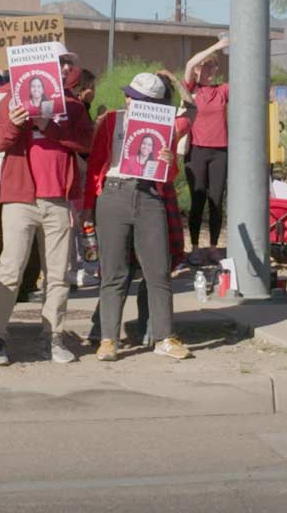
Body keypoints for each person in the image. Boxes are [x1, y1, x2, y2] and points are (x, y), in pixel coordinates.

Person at [0, 63, 92, 366]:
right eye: (58, 64)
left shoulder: (72, 105)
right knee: (10, 269)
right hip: (20, 198)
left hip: (58, 199)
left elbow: (86, 143)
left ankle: (53, 337)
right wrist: (16, 124)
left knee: (58, 273)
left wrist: (48, 125)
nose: (64, 69)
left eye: (65, 65)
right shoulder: (11, 102)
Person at [82, 72, 192, 362]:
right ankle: (108, 339)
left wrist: (169, 163)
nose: (129, 100)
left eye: (136, 97)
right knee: (114, 272)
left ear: (153, 104)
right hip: (114, 193)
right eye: (128, 94)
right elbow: (95, 164)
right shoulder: (111, 121)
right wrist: (88, 205)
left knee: (158, 270)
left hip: (149, 195)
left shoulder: (166, 126)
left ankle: (165, 337)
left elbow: (169, 174)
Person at [181, 37, 230, 258]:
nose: (208, 70)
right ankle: (194, 247)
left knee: (216, 200)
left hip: (220, 151)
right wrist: (216, 47)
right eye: (205, 66)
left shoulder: (222, 91)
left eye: (213, 66)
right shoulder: (192, 90)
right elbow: (190, 64)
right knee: (198, 199)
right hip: (197, 152)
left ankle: (212, 245)